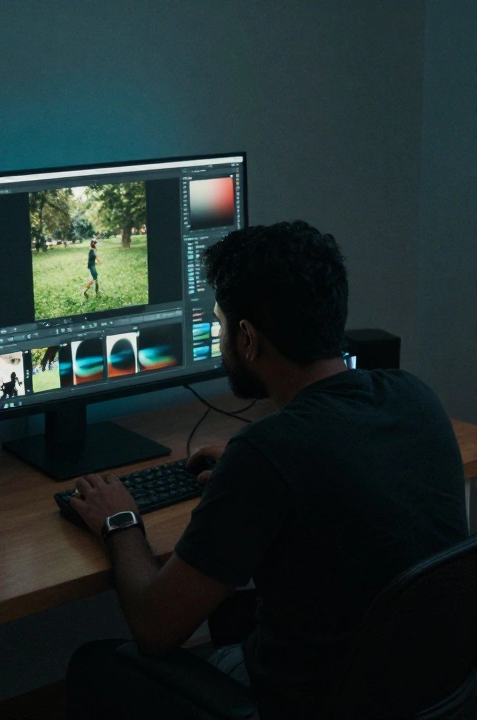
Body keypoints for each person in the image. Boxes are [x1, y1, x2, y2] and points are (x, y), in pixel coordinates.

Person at [64, 221, 467, 719]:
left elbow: (155, 627)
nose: (219, 339)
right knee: (235, 613)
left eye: (220, 325)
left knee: (94, 666)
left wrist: (120, 521)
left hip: (308, 704)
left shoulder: (268, 453)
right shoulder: (414, 397)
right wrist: (250, 471)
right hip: (423, 691)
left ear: (247, 338)